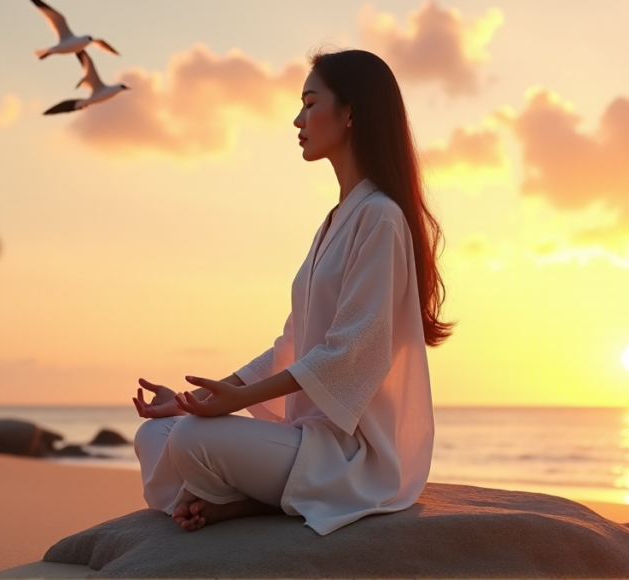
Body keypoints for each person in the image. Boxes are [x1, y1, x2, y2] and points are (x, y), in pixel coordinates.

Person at [131, 49, 454, 536]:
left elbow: (348, 352)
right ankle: (243, 497)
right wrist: (190, 400)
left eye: (309, 102)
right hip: (304, 438)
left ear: (350, 113)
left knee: (193, 441)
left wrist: (231, 406)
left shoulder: (380, 217)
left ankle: (247, 499)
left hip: (354, 455)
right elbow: (290, 348)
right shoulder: (333, 221)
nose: (298, 118)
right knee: (157, 432)